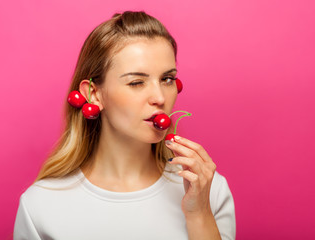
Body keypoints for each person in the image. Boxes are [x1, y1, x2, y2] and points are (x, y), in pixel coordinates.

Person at [13, 11, 236, 240]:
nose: (159, 97)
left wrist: (199, 215)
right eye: (137, 82)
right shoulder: (41, 205)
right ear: (94, 94)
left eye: (167, 79)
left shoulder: (208, 191)